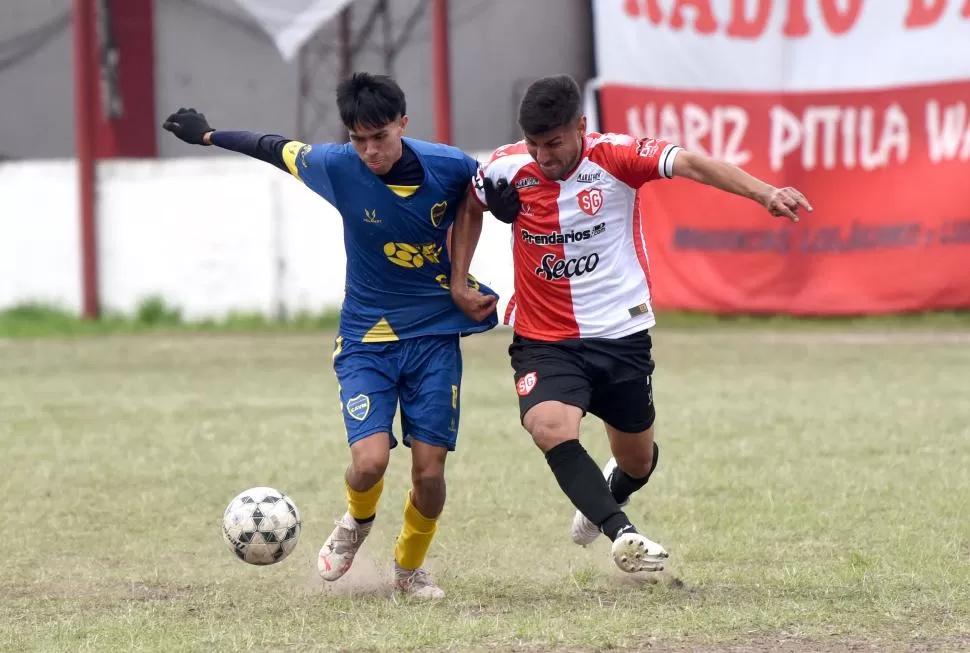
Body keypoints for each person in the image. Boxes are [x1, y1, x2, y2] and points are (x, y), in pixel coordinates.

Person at [450, 74, 811, 574]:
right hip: (544, 338)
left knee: (639, 461)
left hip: (620, 334)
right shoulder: (508, 166)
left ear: (580, 126)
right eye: (534, 144)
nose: (543, 156)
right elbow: (469, 206)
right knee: (547, 425)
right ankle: (622, 532)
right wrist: (458, 280)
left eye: (553, 143)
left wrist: (764, 193)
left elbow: (691, 162)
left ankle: (599, 503)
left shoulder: (617, 156)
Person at [163, 72, 499, 599]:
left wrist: (459, 280)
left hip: (433, 333)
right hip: (366, 335)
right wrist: (210, 135)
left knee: (429, 476)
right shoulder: (337, 166)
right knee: (369, 463)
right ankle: (355, 523)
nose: (369, 151)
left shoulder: (451, 166)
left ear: (403, 125)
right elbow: (274, 148)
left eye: (380, 137)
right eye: (358, 139)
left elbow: (479, 202)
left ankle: (409, 571)